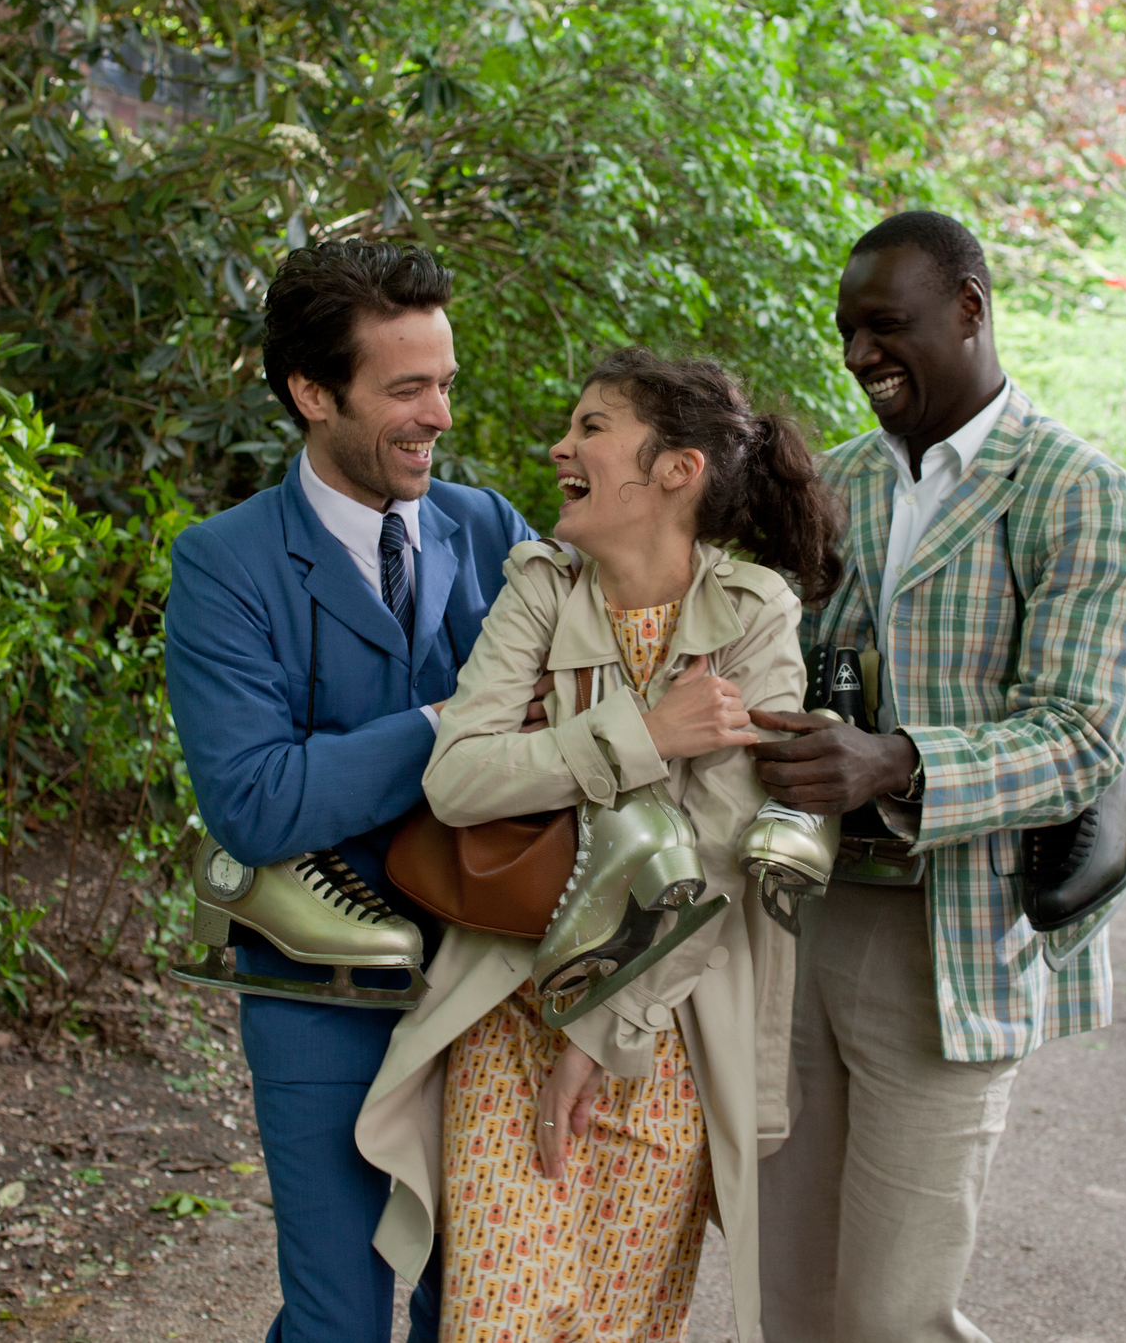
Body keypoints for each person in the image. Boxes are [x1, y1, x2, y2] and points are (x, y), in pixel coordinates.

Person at [354, 350, 844, 1343]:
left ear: (676, 469)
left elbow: (714, 856)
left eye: (590, 427)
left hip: (664, 1025)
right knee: (493, 1322)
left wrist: (595, 1032)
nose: (560, 446)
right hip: (507, 1001)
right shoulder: (540, 587)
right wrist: (648, 736)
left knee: (613, 1327)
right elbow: (456, 781)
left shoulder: (754, 615)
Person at [750, 211, 1126, 1342]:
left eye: (885, 326)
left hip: (953, 944)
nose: (857, 356)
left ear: (970, 309)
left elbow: (1080, 735)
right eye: (844, 333)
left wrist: (896, 760)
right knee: (788, 1297)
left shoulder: (1076, 491)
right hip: (803, 924)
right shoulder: (827, 483)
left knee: (890, 1315)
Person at [163, 239, 534, 1343]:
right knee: (337, 1320)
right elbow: (257, 803)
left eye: (446, 382)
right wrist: (451, 726)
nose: (439, 415)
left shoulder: (489, 526)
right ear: (312, 394)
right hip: (317, 991)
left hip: (488, 974)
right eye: (406, 388)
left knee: (465, 1305)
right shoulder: (222, 565)